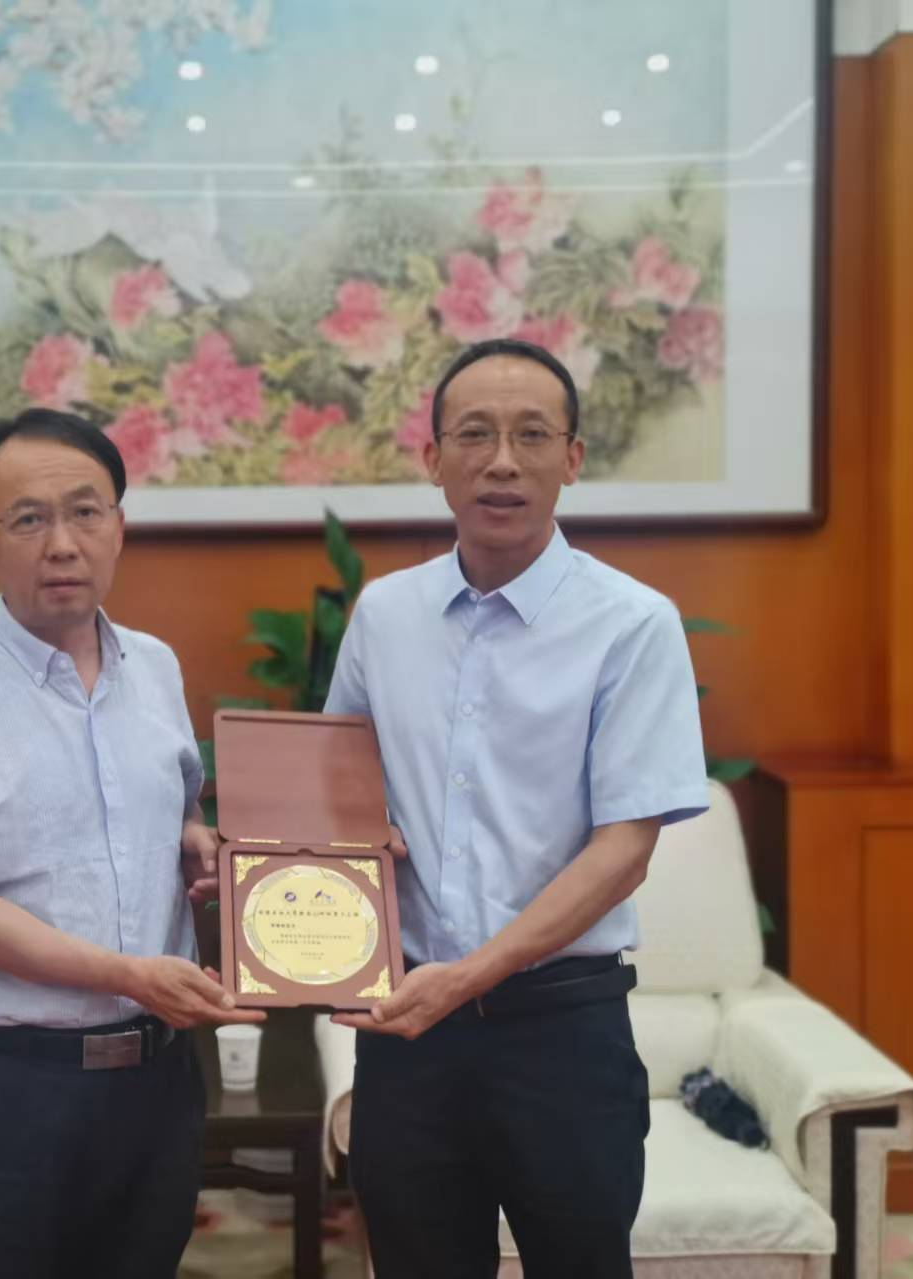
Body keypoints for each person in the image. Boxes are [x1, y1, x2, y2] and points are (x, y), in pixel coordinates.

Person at [0, 407, 263, 1279]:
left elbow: (174, 809)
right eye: (29, 519)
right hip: (0, 1092)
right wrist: (128, 974)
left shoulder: (155, 667)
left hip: (152, 1090)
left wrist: (193, 841)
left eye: (85, 511)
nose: (63, 543)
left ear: (120, 526)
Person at [325, 338, 711, 1278]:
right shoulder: (384, 614)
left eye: (532, 435)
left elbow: (624, 851)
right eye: (475, 434)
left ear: (571, 459)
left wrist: (469, 976)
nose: (502, 460)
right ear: (434, 458)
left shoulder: (633, 624)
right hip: (410, 1035)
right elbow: (332, 793)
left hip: (561, 1032)